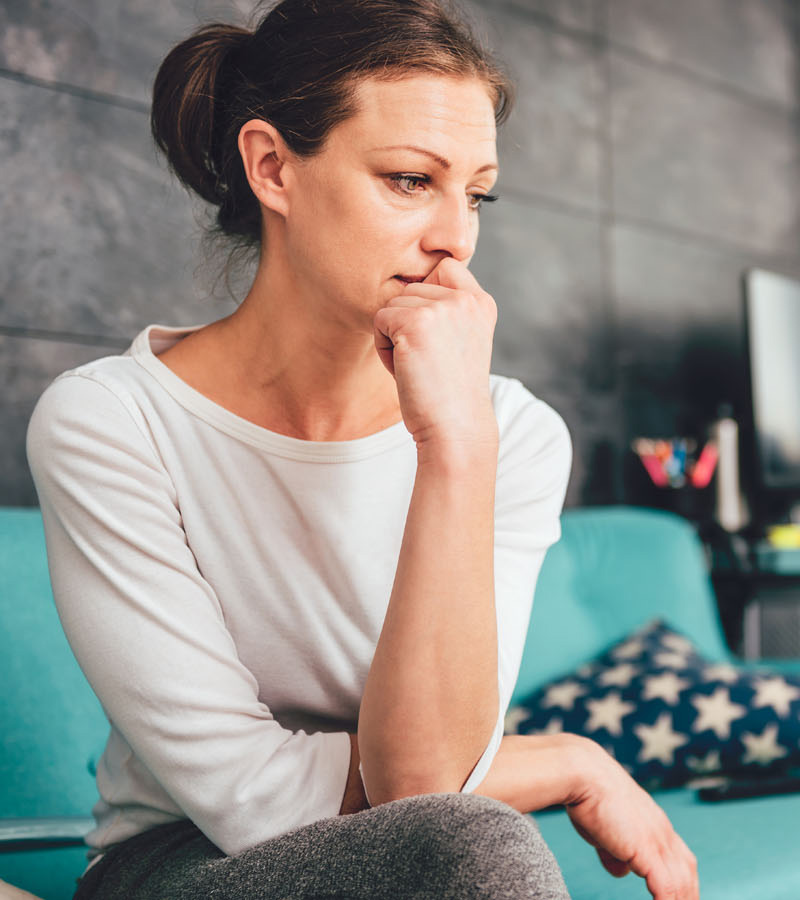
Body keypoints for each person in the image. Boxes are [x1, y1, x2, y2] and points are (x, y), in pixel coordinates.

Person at [26, 0, 698, 897]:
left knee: (463, 839)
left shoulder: (516, 433)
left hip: (419, 841)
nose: (455, 238)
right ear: (272, 167)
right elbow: (254, 796)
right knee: (474, 847)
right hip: (178, 863)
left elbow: (425, 787)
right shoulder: (111, 423)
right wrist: (564, 761)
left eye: (477, 193)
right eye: (411, 180)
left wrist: (454, 443)